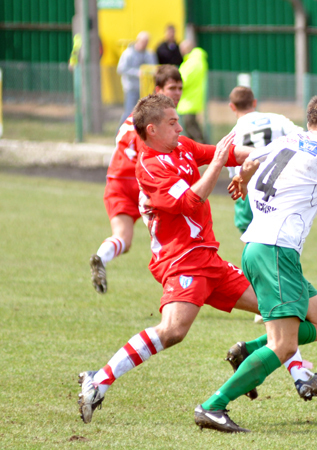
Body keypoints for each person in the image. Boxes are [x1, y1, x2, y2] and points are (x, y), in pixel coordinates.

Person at [193, 95, 317, 433]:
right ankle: (213, 406)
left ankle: (247, 351)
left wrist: (242, 180)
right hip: (275, 251)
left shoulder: (287, 139)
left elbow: (249, 162)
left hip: (260, 247)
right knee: (283, 345)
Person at [78, 94, 260, 424]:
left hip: (209, 259)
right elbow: (190, 201)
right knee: (173, 331)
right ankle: (99, 380)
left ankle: (266, 362)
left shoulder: (182, 147)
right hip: (181, 261)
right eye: (173, 123)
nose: (180, 128)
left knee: (275, 308)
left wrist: (270, 153)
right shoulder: (149, 168)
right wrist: (218, 163)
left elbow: (229, 153)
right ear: (153, 129)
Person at [89, 64, 183, 294]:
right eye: (172, 88)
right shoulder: (158, 123)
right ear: (158, 89)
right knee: (175, 232)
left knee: (123, 238)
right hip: (142, 185)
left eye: (180, 88)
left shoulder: (136, 115)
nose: (177, 93)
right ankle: (181, 282)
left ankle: (101, 256)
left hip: (117, 181)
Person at [226, 85, 303, 234]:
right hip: (280, 182)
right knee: (282, 230)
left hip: (251, 184)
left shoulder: (233, 133)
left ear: (232, 107)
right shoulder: (277, 119)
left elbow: (233, 170)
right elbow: (300, 136)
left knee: (248, 228)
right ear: (254, 102)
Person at [117, 31, 157, 124]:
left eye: (147, 42)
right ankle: (121, 130)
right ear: (138, 40)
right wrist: (137, 72)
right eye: (143, 42)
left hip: (145, 89)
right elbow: (121, 69)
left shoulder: (149, 54)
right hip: (131, 87)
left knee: (145, 113)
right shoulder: (128, 53)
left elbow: (153, 68)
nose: (145, 44)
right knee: (129, 112)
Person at [177, 39, 208, 143]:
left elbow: (183, 80)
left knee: (193, 131)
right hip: (191, 100)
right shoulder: (196, 60)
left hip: (189, 102)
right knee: (192, 130)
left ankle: (204, 149)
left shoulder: (192, 62)